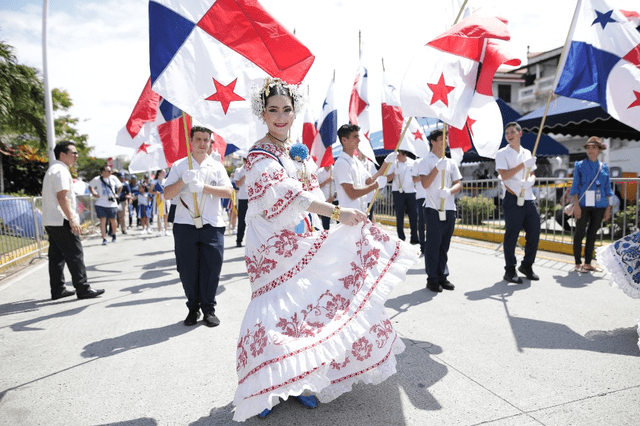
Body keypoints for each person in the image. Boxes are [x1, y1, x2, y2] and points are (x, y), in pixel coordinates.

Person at [232, 78, 418, 421]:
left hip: (303, 236)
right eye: (273, 110)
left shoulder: (295, 149)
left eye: (286, 109)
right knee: (272, 311)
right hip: (271, 245)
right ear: (263, 112)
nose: (280, 116)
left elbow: (310, 188)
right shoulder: (258, 155)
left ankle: (300, 380)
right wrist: (337, 212)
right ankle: (263, 389)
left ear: (293, 111)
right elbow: (285, 195)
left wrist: (324, 220)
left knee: (303, 308)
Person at [164, 125, 233, 328]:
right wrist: (183, 181)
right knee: (187, 270)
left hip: (212, 224)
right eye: (199, 139)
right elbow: (167, 194)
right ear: (191, 141)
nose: (202, 144)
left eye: (206, 140)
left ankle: (209, 309)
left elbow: (228, 192)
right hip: (185, 225)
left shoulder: (216, 166)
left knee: (212, 268)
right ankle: (193, 308)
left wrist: (204, 187)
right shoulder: (180, 165)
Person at [42, 141, 104, 300]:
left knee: (56, 257)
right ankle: (83, 288)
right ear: (62, 154)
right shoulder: (60, 171)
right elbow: (62, 197)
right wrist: (72, 219)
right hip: (61, 219)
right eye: (73, 152)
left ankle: (58, 289)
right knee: (75, 253)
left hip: (52, 220)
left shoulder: (54, 169)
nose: (76, 156)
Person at [495, 122, 540, 283]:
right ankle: (510, 270)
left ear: (520, 134)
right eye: (507, 133)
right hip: (513, 197)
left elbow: (532, 173)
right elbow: (504, 175)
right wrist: (523, 165)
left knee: (534, 233)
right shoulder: (502, 153)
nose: (509, 135)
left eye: (512, 131)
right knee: (512, 236)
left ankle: (527, 265)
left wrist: (531, 181)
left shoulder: (528, 152)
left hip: (528, 198)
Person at [419, 130, 462, 292]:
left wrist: (450, 191)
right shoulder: (426, 161)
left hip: (449, 207)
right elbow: (424, 184)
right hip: (433, 207)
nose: (445, 141)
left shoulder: (451, 162)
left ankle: (443, 275)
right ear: (433, 142)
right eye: (441, 139)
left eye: (446, 138)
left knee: (444, 245)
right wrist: (437, 168)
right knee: (433, 245)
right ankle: (432, 279)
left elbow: (458, 183)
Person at [571, 137, 613, 272]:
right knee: (579, 232)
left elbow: (607, 189)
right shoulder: (579, 165)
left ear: (599, 149)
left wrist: (608, 208)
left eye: (594, 147)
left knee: (592, 234)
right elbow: (575, 187)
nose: (590, 150)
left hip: (600, 205)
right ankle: (578, 263)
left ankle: (588, 263)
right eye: (588, 147)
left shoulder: (604, 167)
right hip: (583, 204)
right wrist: (576, 205)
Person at [333, 123, 388, 214]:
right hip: (348, 216)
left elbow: (369, 181)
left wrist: (386, 163)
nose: (358, 140)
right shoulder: (341, 163)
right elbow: (352, 194)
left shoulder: (356, 161)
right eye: (355, 137)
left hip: (360, 213)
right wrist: (376, 185)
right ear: (344, 140)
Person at [386, 150, 420, 244]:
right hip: (397, 191)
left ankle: (414, 237)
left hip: (411, 191)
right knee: (399, 215)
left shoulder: (413, 163)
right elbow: (388, 178)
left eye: (400, 155)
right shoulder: (394, 163)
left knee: (413, 215)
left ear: (405, 155)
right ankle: (401, 237)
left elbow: (417, 177)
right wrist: (392, 175)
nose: (398, 157)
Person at [89, 165, 122, 245]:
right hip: (101, 203)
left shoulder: (113, 178)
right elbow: (90, 186)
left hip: (112, 203)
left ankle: (114, 234)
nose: (110, 172)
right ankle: (104, 238)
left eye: (110, 171)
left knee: (113, 220)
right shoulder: (97, 179)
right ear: (103, 172)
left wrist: (117, 194)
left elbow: (120, 186)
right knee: (103, 220)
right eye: (109, 171)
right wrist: (94, 193)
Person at [316, 164, 337, 230]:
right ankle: (326, 237)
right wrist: (326, 181)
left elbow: (339, 186)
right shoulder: (319, 172)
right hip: (324, 201)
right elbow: (317, 187)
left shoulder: (335, 170)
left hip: (334, 200)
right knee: (325, 223)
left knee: (337, 219)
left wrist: (333, 197)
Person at [234, 158, 248, 247]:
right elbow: (237, 185)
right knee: (241, 221)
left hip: (252, 199)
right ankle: (239, 240)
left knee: (253, 221)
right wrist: (244, 177)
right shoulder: (239, 170)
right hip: (242, 198)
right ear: (243, 161)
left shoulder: (254, 169)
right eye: (246, 160)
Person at [152, 169, 170, 236]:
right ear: (159, 173)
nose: (165, 174)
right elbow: (150, 191)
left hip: (165, 198)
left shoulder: (166, 181)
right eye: (163, 172)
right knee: (159, 215)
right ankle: (159, 230)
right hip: (158, 199)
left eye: (165, 173)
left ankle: (166, 230)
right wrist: (155, 192)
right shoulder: (155, 182)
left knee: (166, 215)